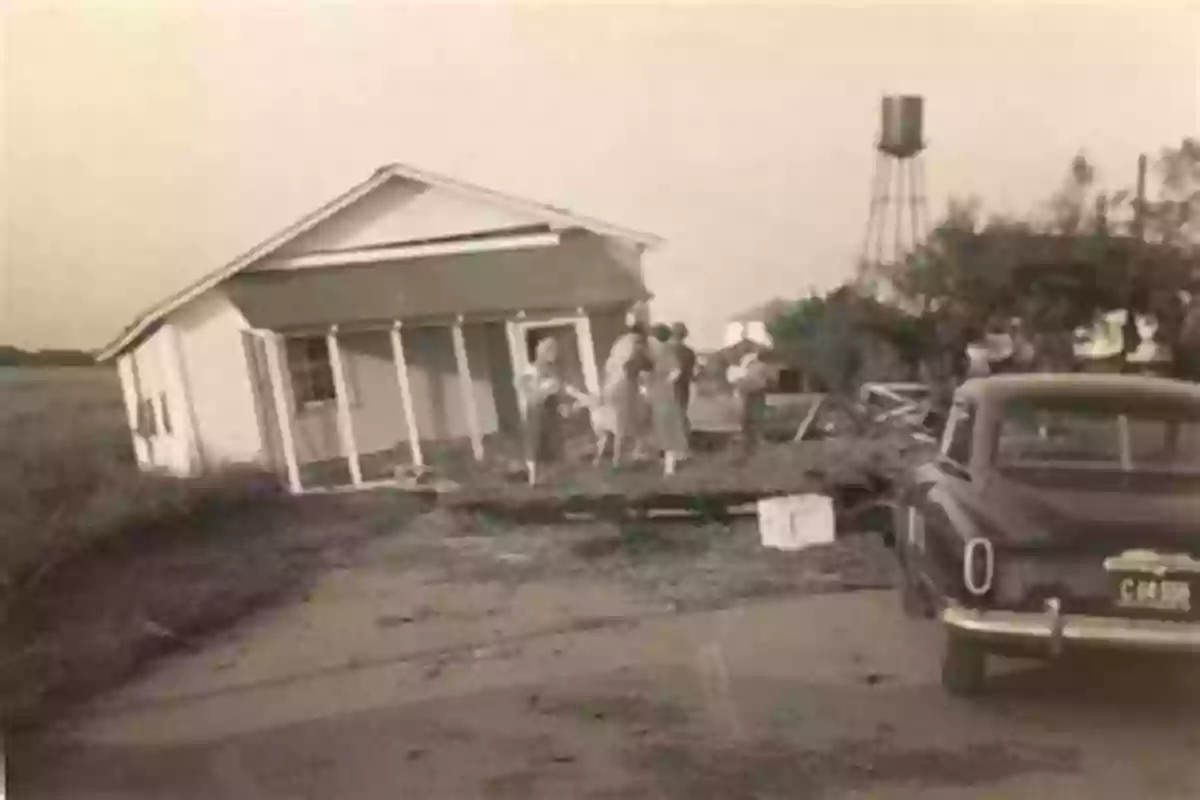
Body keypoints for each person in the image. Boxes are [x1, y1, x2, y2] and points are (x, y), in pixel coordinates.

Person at [518, 337, 587, 486]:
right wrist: (545, 389)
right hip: (536, 411)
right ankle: (533, 479)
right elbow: (527, 389)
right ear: (543, 352)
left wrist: (581, 396)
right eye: (552, 352)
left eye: (555, 352)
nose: (555, 355)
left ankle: (553, 478)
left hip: (550, 411)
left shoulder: (552, 370)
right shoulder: (531, 369)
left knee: (554, 444)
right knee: (534, 444)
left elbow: (563, 386)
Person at [598, 314, 654, 467]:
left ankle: (605, 457)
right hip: (624, 387)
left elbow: (609, 365)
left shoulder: (619, 342)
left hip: (609, 385)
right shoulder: (637, 343)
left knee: (615, 424)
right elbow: (640, 364)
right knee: (627, 424)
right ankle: (619, 461)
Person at [645, 334, 690, 476]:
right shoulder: (651, 353)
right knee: (660, 428)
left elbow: (676, 370)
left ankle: (670, 468)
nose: (650, 341)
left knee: (667, 428)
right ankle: (668, 461)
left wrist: (666, 382)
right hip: (655, 396)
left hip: (665, 396)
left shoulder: (665, 352)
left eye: (652, 339)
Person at [728, 350, 770, 457]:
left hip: (747, 391)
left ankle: (747, 437)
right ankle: (756, 438)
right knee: (756, 415)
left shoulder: (749, 365)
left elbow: (742, 378)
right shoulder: (762, 366)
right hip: (755, 391)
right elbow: (765, 380)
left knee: (746, 415)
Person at [667, 322, 697, 439]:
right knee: (681, 414)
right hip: (682, 387)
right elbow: (691, 373)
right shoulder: (689, 352)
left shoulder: (666, 350)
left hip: (667, 388)